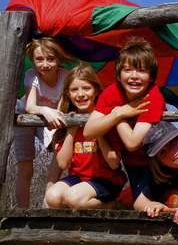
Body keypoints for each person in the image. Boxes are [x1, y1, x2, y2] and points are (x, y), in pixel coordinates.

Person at [45, 62, 146, 209]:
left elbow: (114, 163)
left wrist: (97, 130)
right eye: (74, 90)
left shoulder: (107, 120)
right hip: (78, 178)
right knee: (52, 197)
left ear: (96, 91)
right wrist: (71, 131)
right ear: (68, 94)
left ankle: (112, 205)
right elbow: (62, 163)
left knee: (74, 198)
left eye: (86, 88)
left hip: (107, 180)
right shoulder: (70, 121)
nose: (80, 94)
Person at [84, 37, 166, 202]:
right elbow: (88, 132)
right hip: (131, 162)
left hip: (156, 162)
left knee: (145, 204)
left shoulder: (153, 96)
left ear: (151, 77)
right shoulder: (112, 92)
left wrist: (117, 114)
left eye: (142, 71)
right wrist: (118, 113)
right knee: (138, 202)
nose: (134, 76)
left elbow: (132, 142)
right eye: (128, 70)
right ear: (119, 74)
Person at [14, 37, 73, 208]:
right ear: (33, 60)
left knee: (58, 149)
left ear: (59, 60)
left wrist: (52, 116)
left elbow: (61, 108)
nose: (45, 64)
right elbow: (31, 106)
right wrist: (46, 110)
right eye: (39, 59)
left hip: (49, 117)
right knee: (26, 167)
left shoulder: (65, 77)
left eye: (51, 59)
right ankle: (22, 211)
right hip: (25, 115)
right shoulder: (32, 74)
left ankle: (48, 199)